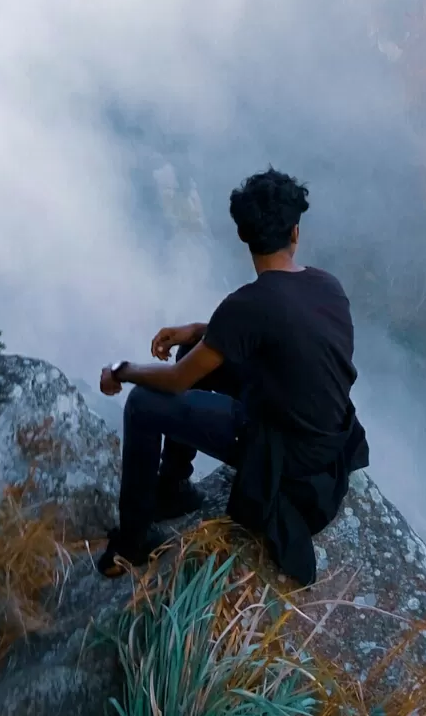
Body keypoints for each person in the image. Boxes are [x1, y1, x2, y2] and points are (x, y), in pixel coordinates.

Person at [97, 167, 368, 585]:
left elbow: (176, 382)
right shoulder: (326, 286)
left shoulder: (248, 304)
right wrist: (197, 332)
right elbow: (271, 332)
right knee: (193, 351)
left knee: (142, 405)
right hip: (321, 437)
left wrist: (122, 371)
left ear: (244, 236)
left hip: (281, 453)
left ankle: (131, 542)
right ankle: (172, 489)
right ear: (295, 233)